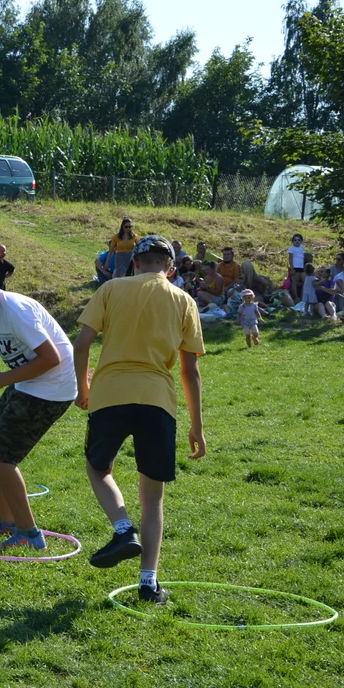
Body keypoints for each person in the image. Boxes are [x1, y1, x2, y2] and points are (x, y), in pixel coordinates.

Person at [72, 235, 206, 604]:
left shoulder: (111, 288)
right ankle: (149, 583)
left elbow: (81, 344)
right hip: (158, 402)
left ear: (135, 262)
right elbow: (190, 370)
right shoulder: (184, 300)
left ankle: (121, 529)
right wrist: (197, 425)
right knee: (153, 496)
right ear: (171, 268)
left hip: (110, 394)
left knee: (98, 468)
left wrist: (82, 389)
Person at [0, 260, 77, 550]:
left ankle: (29, 533)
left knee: (1, 456)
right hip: (29, 383)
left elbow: (51, 358)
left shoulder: (16, 312)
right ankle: (7, 521)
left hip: (50, 389)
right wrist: (10, 380)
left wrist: (4, 378)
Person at [287, 234, 306, 302]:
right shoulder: (291, 248)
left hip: (301, 267)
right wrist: (292, 268)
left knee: (305, 281)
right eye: (295, 240)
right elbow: (290, 259)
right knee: (294, 282)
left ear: (301, 241)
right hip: (295, 267)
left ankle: (302, 296)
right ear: (293, 241)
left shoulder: (302, 247)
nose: (297, 241)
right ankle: (296, 298)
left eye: (299, 240)